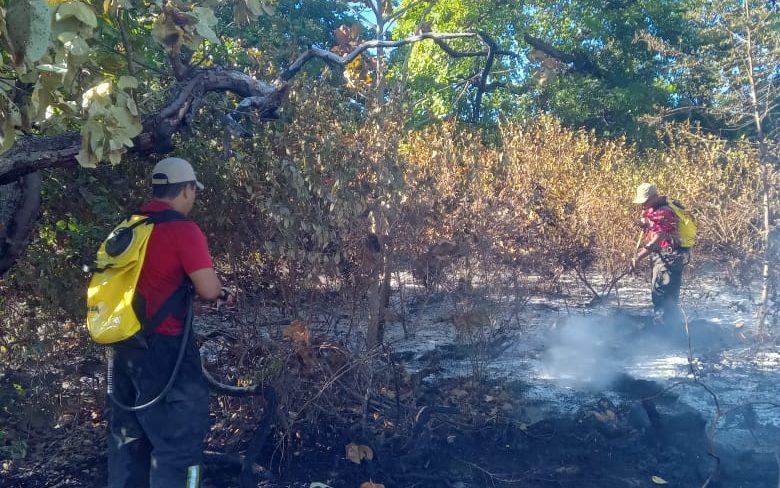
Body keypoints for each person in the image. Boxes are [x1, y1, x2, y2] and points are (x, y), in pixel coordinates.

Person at [107, 157, 230, 488]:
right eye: (194, 191)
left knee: (128, 443)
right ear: (187, 190)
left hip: (124, 351)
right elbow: (208, 289)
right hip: (166, 356)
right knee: (180, 447)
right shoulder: (183, 230)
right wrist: (222, 293)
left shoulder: (128, 228)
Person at [630, 183, 687, 327]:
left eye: (645, 201)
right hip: (666, 256)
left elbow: (656, 241)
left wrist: (638, 258)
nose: (643, 204)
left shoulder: (663, 212)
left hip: (668, 257)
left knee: (661, 294)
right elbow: (657, 229)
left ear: (654, 197)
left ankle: (664, 331)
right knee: (668, 295)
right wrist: (647, 224)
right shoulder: (656, 209)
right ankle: (672, 329)